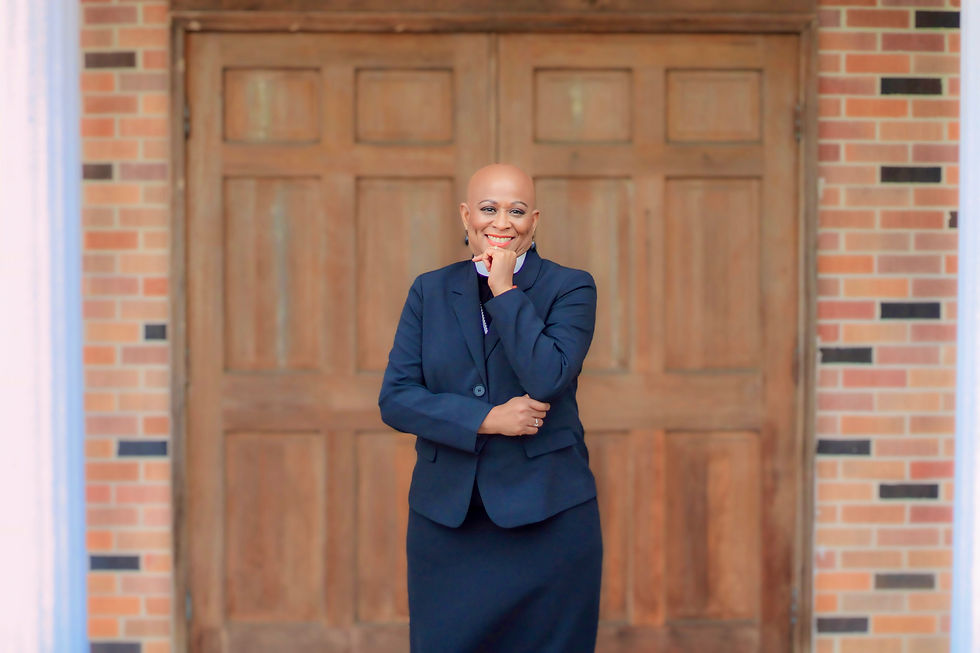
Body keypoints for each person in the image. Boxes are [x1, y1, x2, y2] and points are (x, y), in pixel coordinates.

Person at [378, 163, 602, 653]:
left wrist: (504, 289)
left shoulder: (571, 287)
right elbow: (395, 398)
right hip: (448, 525)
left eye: (516, 211)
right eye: (488, 209)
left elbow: (547, 377)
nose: (502, 223)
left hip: (549, 519)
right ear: (465, 215)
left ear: (535, 221)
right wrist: (487, 419)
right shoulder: (429, 290)